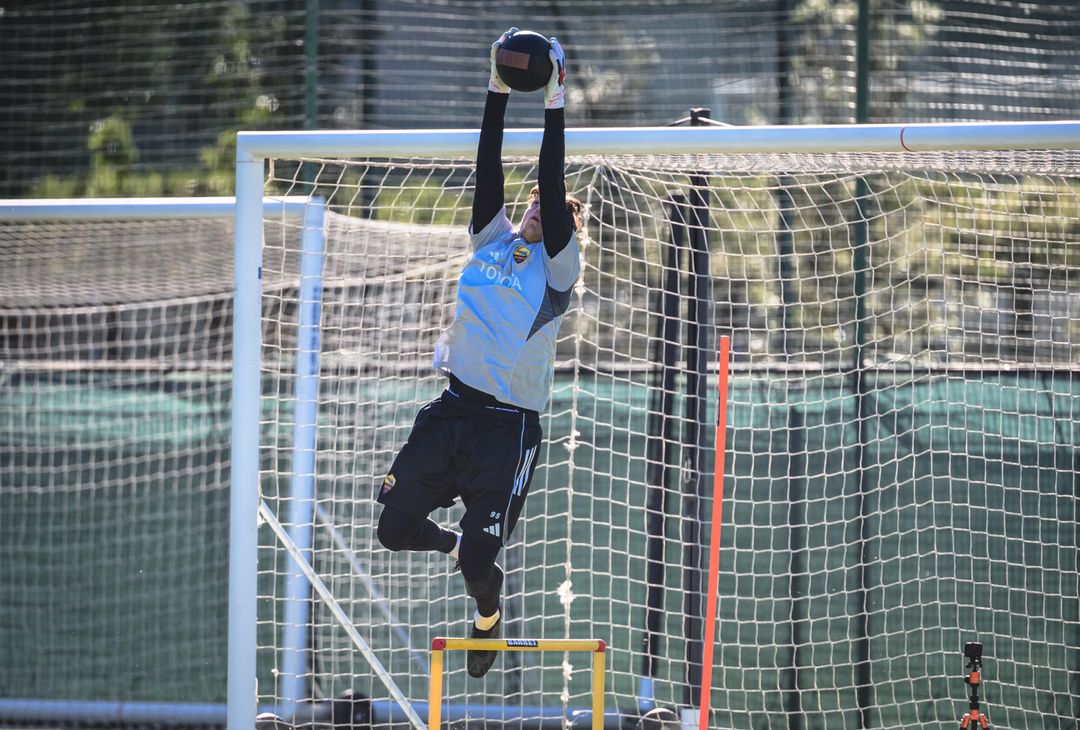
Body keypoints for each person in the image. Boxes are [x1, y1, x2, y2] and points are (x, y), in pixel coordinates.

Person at [374, 29, 584, 679]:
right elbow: (488, 165)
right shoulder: (491, 240)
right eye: (534, 208)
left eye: (551, 214)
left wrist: (554, 99)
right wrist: (496, 91)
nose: (539, 213)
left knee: (477, 569)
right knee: (393, 529)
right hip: (452, 411)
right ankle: (465, 544)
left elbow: (551, 179)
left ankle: (487, 620)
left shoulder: (558, 274)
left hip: (506, 429)